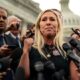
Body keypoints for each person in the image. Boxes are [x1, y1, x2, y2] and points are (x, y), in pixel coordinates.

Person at [18, 9, 69, 80]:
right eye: (44, 20)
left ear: (58, 25)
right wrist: (25, 52)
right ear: (39, 27)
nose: (48, 22)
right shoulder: (29, 49)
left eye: (52, 19)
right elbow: (21, 77)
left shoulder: (67, 50)